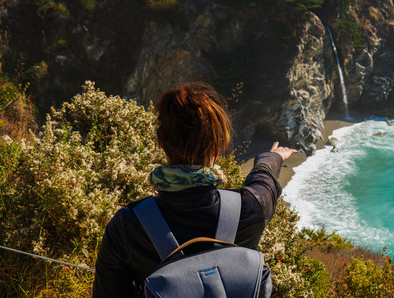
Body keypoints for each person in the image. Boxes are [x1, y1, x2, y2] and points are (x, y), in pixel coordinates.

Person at [93, 82, 296, 297]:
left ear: (161, 142)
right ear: (216, 150)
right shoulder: (250, 209)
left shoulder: (128, 225)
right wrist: (270, 158)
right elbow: (263, 183)